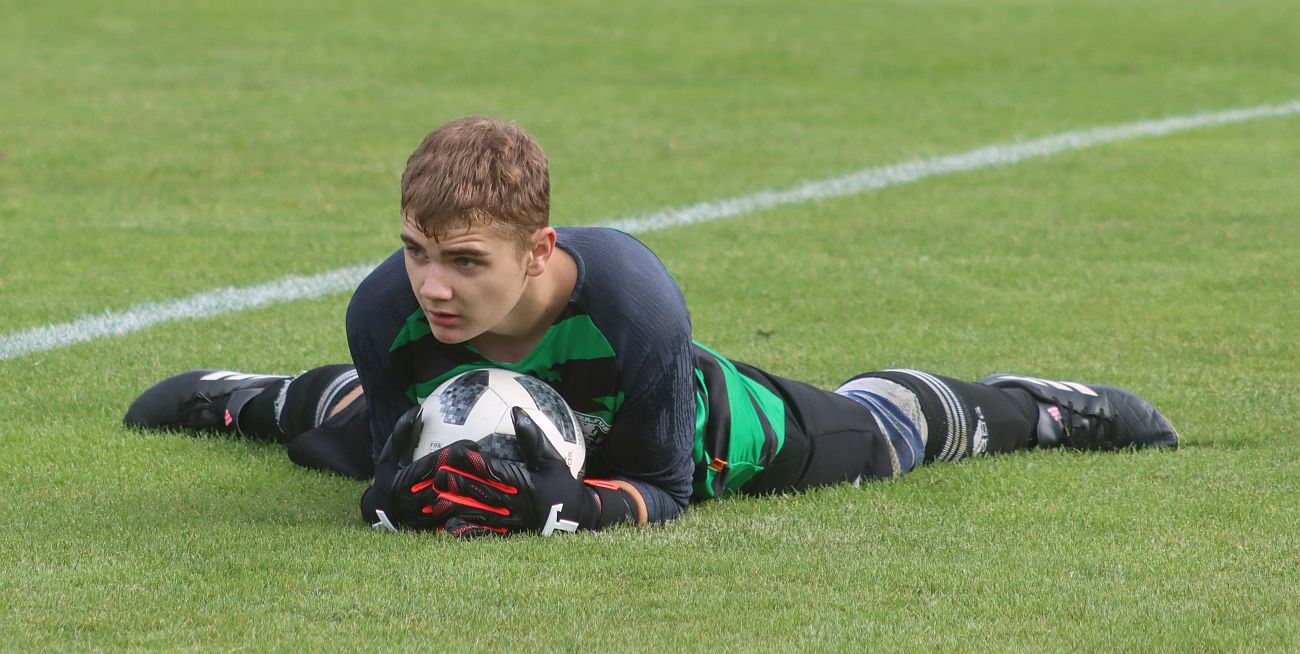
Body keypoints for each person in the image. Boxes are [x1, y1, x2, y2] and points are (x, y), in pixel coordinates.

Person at [124, 116, 1179, 537]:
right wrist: (393, 498)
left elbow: (667, 490)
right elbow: (392, 458)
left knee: (886, 437)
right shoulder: (386, 312)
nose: (430, 286)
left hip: (698, 432)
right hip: (505, 430)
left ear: (538, 253)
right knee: (341, 428)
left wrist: (572, 507)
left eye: (464, 262)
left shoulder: (633, 307)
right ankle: (250, 396)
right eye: (414, 249)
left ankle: (1036, 410)